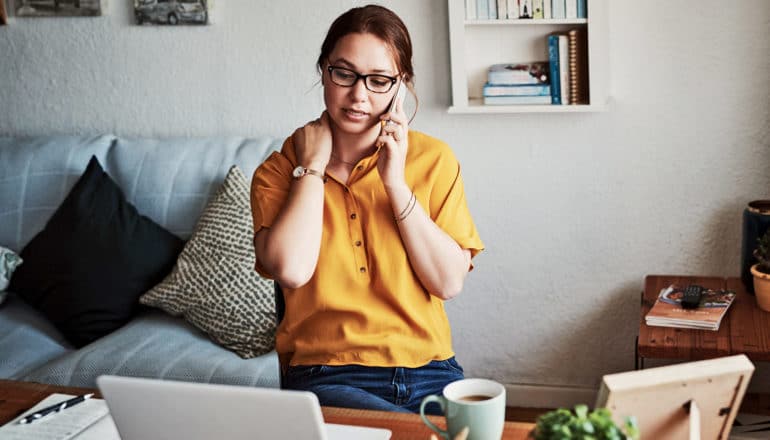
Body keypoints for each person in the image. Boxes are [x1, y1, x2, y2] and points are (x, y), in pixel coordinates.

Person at [250, 4, 484, 414]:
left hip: (433, 370)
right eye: (344, 73)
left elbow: (448, 283)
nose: (359, 95)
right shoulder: (280, 170)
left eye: (378, 81)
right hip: (327, 376)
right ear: (324, 70)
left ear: (400, 84)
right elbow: (291, 269)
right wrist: (313, 169)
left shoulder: (434, 159)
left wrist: (394, 183)